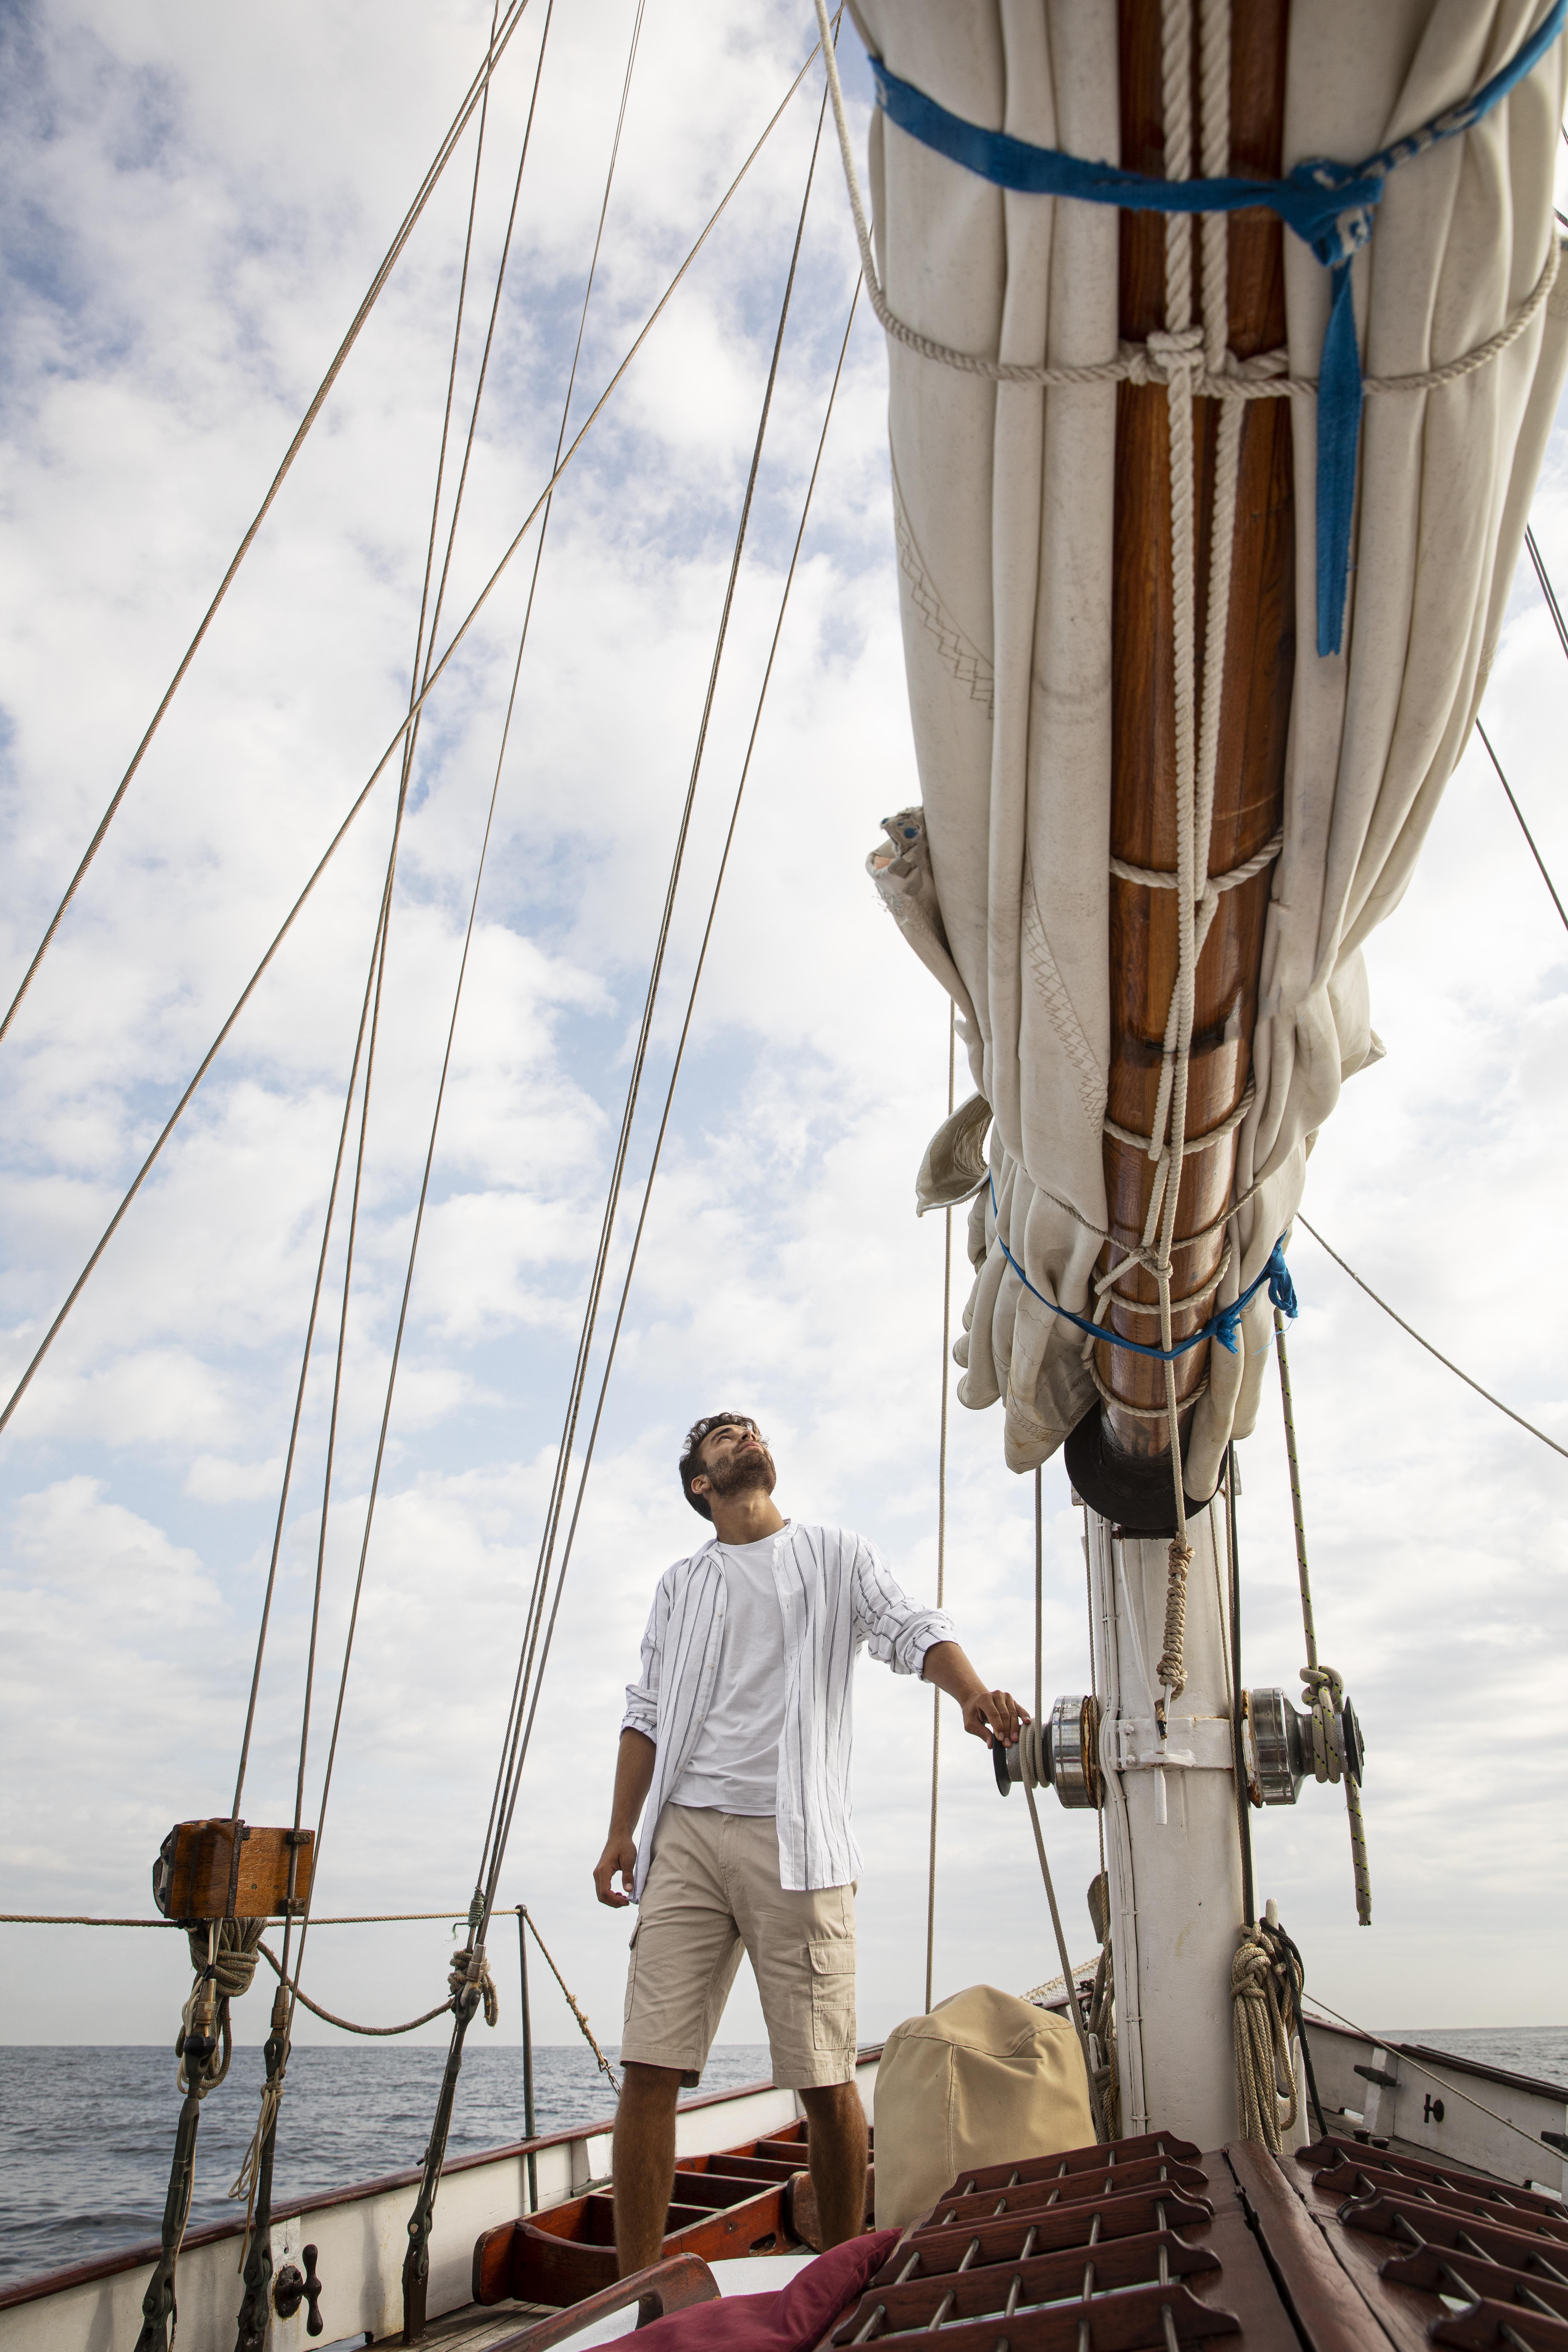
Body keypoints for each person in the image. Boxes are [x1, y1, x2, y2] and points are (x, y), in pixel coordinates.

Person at [593, 1411, 1026, 2276]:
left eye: (750, 1429)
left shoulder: (836, 1554)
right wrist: (620, 1833)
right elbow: (644, 1712)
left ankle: (839, 2278)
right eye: (723, 1435)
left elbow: (910, 1628)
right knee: (648, 2067)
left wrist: (969, 1691)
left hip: (799, 1843)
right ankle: (636, 2295)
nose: (744, 1435)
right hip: (684, 1838)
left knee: (825, 2078)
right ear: (700, 1485)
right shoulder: (680, 1584)